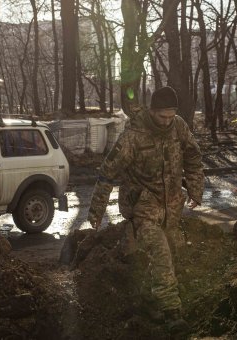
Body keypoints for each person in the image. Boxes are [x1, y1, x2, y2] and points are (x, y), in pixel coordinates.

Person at [87, 86, 204, 335]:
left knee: (172, 253)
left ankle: (147, 300)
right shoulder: (133, 136)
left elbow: (193, 155)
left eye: (171, 116)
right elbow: (107, 174)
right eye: (162, 116)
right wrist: (96, 212)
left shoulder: (179, 126)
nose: (167, 122)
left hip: (172, 207)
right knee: (161, 252)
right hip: (143, 208)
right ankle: (173, 314)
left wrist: (195, 188)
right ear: (152, 112)